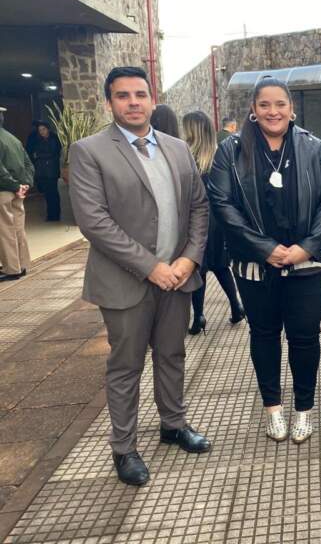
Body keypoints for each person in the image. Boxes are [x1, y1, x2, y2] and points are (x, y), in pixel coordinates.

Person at [69, 67, 211, 487]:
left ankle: (173, 424)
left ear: (152, 99)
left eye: (140, 94)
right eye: (123, 95)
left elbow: (199, 207)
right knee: (125, 366)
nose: (133, 102)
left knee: (172, 355)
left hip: (177, 278)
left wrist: (189, 259)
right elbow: (94, 221)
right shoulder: (89, 151)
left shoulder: (177, 148)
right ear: (109, 102)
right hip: (125, 282)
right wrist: (151, 266)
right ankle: (124, 448)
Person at [207, 78, 321, 444]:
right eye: (264, 104)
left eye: (280, 104)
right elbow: (221, 202)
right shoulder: (231, 150)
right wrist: (264, 248)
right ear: (253, 109)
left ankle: (304, 409)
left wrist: (307, 247)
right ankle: (273, 409)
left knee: (304, 337)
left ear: (291, 109)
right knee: (264, 335)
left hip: (306, 264)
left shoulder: (313, 148)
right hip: (254, 265)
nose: (273, 111)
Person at [181, 111, 245, 334]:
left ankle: (199, 316)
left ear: (192, 130)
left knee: (198, 267)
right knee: (220, 265)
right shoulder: (220, 155)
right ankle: (236, 306)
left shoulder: (187, 156)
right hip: (218, 219)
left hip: (197, 220)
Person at [0, 107, 34, 281]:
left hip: (4, 190)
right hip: (18, 191)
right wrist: (25, 184)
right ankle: (22, 265)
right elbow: (28, 164)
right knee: (18, 227)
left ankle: (11, 268)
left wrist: (14, 185)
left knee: (5, 230)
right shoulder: (13, 139)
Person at [26, 121, 62, 221]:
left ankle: (55, 215)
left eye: (43, 129)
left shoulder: (54, 139)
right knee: (47, 194)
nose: (42, 132)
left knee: (53, 193)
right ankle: (50, 215)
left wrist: (39, 155)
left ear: (48, 129)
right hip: (43, 172)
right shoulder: (38, 140)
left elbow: (53, 153)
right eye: (40, 130)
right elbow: (33, 153)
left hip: (52, 172)